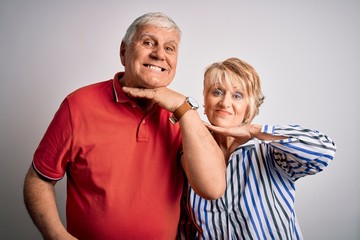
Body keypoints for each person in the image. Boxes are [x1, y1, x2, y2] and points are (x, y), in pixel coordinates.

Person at [23, 12, 226, 240]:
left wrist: (183, 108)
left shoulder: (183, 116)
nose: (159, 54)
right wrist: (56, 235)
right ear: (123, 51)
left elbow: (213, 188)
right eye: (148, 42)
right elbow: (39, 179)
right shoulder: (78, 106)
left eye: (170, 48)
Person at [177, 57, 337, 240]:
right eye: (217, 92)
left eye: (237, 96)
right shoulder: (188, 157)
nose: (224, 103)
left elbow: (324, 150)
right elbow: (184, 226)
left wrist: (254, 130)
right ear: (205, 100)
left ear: (249, 107)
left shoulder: (272, 155)